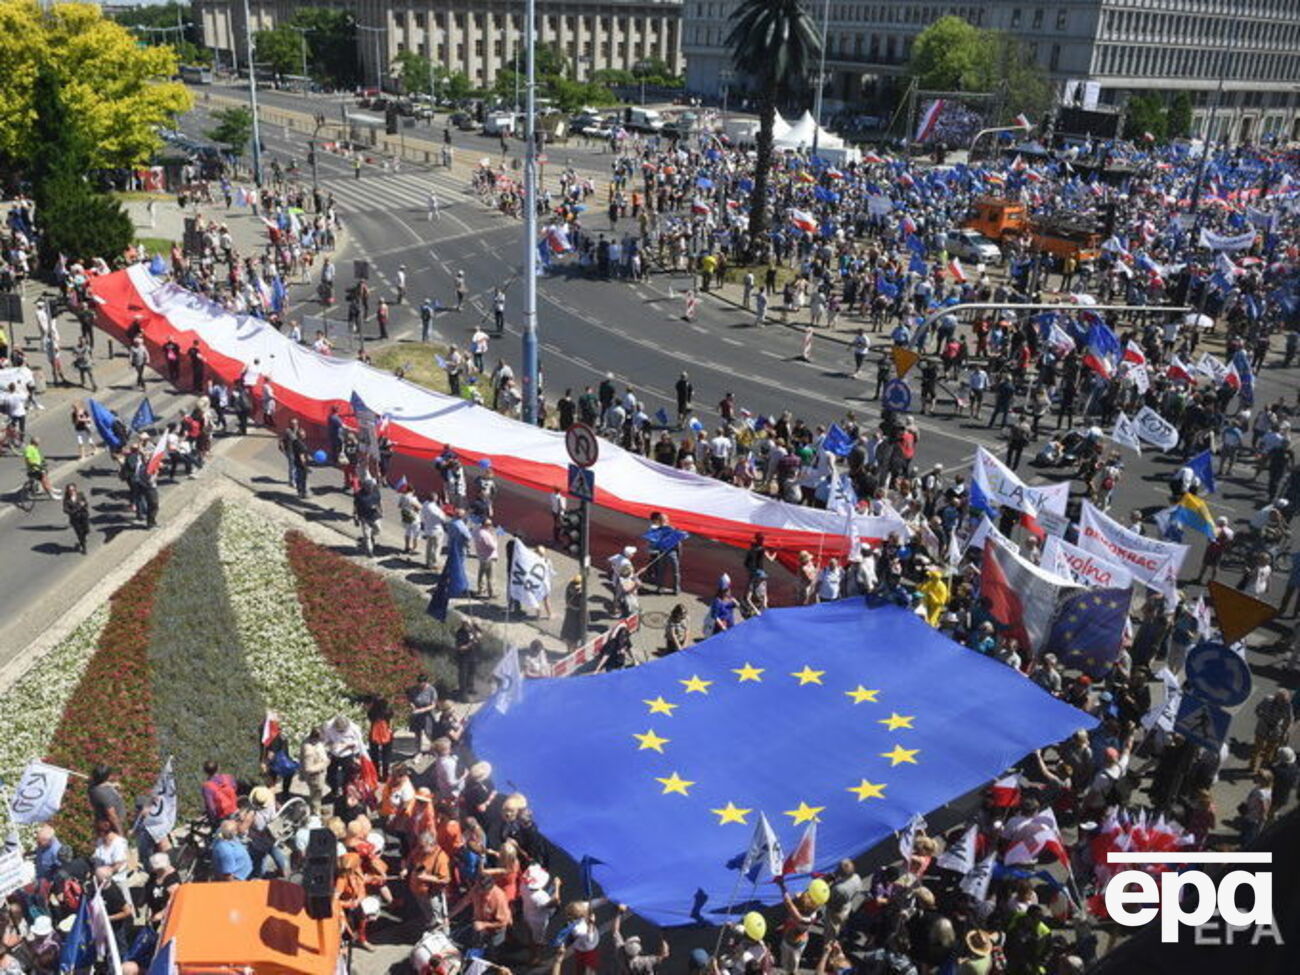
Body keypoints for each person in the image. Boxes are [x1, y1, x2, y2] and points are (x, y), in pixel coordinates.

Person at [63, 482, 91, 553]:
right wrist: (78, 508)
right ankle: (83, 547)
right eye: (70, 490)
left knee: (87, 530)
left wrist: (84, 505)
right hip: (75, 519)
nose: (72, 491)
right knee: (80, 533)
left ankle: (83, 539)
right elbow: (66, 510)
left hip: (84, 516)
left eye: (73, 490)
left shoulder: (80, 494)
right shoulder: (66, 500)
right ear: (68, 491)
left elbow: (85, 503)